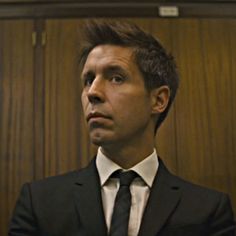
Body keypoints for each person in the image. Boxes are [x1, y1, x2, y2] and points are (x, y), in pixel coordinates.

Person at [9, 20, 235, 236]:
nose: (92, 93)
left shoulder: (208, 210)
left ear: (158, 100)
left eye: (116, 78)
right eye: (88, 80)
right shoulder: (39, 203)